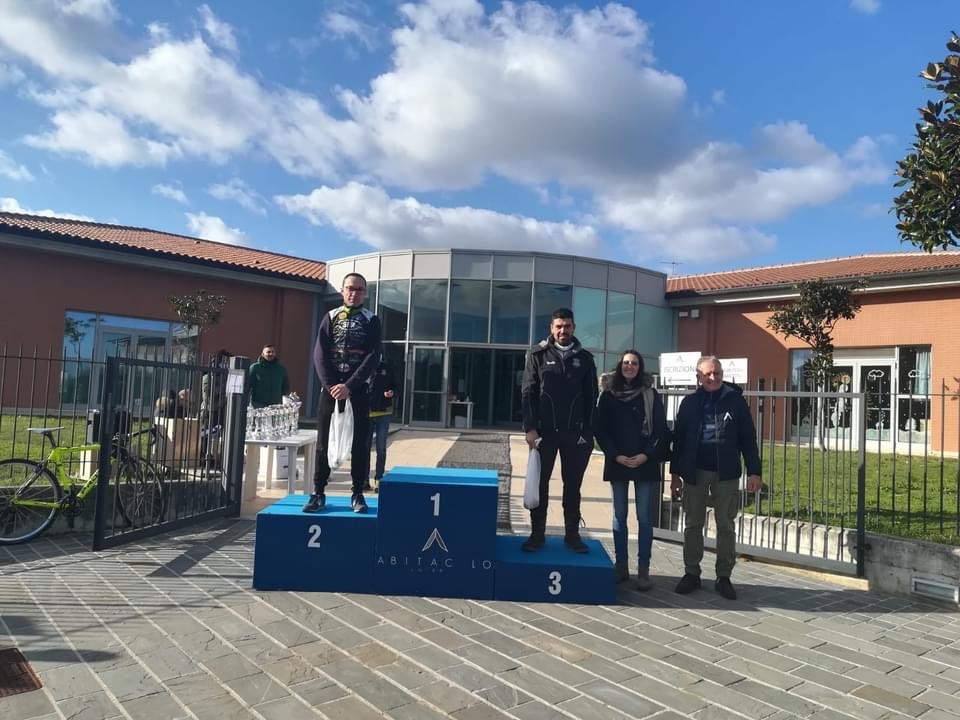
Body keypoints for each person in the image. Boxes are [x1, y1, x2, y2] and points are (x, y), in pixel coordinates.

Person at [670, 355, 762, 600]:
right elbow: (679, 441)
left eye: (717, 373)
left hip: (726, 473)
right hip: (695, 472)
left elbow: (748, 439)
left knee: (726, 525)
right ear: (698, 377)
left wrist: (755, 472)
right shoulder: (689, 403)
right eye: (708, 374)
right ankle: (692, 573)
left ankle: (724, 576)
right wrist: (675, 475)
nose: (713, 378)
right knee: (693, 524)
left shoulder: (736, 402)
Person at [520, 308, 597, 553]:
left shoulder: (585, 359)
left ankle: (572, 535)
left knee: (572, 486)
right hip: (544, 433)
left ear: (574, 327)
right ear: (551, 328)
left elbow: (591, 397)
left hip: (575, 434)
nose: (563, 330)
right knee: (540, 484)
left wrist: (588, 433)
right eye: (559, 326)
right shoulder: (537, 355)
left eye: (567, 326)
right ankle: (537, 534)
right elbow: (528, 393)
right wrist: (530, 428)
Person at [304, 273, 382, 514]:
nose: (354, 293)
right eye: (350, 288)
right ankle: (318, 492)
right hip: (331, 391)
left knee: (360, 443)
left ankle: (358, 492)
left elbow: (373, 356)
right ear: (342, 290)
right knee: (323, 443)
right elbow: (319, 353)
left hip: (357, 391)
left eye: (359, 289)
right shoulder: (330, 316)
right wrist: (331, 385)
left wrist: (350, 385)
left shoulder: (371, 320)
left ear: (365, 293)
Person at [594, 351, 670, 590]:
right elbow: (600, 429)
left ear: (640, 367)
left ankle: (643, 570)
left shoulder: (650, 394)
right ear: (620, 366)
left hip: (644, 461)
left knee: (644, 517)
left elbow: (660, 430)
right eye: (626, 363)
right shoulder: (608, 395)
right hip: (618, 461)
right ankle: (621, 566)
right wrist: (616, 455)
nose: (630, 366)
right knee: (619, 516)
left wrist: (646, 455)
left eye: (634, 363)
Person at [366, 358, 396, 493]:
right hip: (367, 413)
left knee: (381, 448)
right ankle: (364, 480)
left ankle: (379, 479)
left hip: (384, 413)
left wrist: (391, 392)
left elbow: (395, 386)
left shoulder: (387, 368)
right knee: (365, 448)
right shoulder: (365, 367)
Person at [248, 344, 290, 408]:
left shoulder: (281, 370)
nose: (271, 354)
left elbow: (286, 386)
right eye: (268, 352)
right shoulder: (255, 368)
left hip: (276, 405)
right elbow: (248, 385)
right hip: (258, 404)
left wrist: (282, 398)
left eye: (273, 352)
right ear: (263, 354)